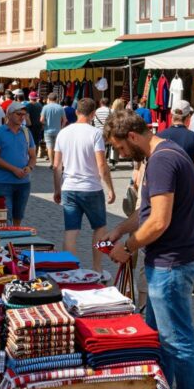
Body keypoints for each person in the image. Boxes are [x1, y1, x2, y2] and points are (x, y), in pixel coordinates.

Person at [102, 111, 194, 389]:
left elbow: (158, 221)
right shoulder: (166, 151)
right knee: (159, 338)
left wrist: (128, 247)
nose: (119, 154)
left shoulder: (160, 161)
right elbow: (146, 212)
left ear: (132, 136)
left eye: (118, 148)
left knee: (176, 340)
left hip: (171, 264)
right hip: (172, 261)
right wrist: (121, 228)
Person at [53, 97, 116, 274]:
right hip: (91, 188)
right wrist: (109, 188)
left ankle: (70, 270)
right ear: (93, 113)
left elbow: (57, 166)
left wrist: (57, 189)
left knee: (71, 231)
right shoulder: (95, 133)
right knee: (99, 228)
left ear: (76, 112)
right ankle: (97, 268)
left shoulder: (63, 132)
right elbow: (102, 165)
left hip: (69, 187)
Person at [0, 103, 36, 226]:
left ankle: (15, 242)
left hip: (24, 183)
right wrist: (14, 169)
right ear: (9, 114)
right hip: (3, 182)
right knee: (6, 217)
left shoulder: (26, 132)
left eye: (24, 115)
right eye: (18, 114)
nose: (22, 117)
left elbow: (33, 156)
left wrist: (29, 167)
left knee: (18, 216)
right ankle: (8, 243)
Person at [159, 100, 194, 181]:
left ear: (171, 116)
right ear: (188, 118)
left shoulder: (159, 136)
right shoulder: (193, 137)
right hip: (186, 186)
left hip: (164, 184)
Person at [41, 92, 66, 162]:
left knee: (49, 148)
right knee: (57, 147)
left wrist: (46, 124)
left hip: (47, 131)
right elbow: (65, 120)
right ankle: (56, 162)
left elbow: (41, 120)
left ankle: (52, 164)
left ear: (48, 99)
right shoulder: (60, 107)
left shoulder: (45, 107)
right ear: (56, 99)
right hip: (58, 130)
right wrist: (61, 127)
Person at [25, 92, 45, 161]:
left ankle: (29, 158)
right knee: (36, 142)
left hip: (31, 126)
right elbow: (42, 116)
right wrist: (42, 125)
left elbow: (27, 117)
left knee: (29, 142)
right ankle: (34, 158)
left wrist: (29, 124)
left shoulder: (28, 106)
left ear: (29, 98)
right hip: (38, 126)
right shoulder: (40, 105)